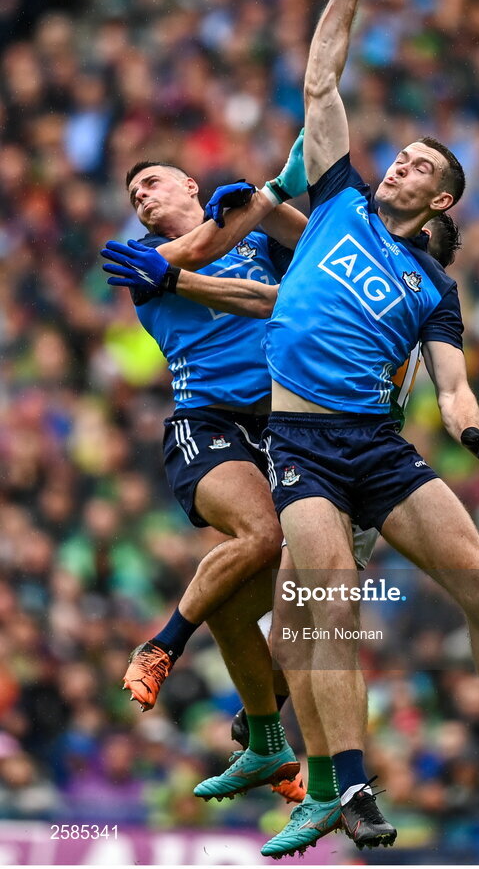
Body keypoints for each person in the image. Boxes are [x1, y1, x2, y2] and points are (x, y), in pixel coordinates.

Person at [226, 0, 479, 856]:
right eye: (402, 156)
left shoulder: (435, 289)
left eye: (422, 166)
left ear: (442, 201)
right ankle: (348, 784)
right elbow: (320, 87)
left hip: (379, 450)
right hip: (301, 445)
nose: (401, 165)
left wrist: (472, 433)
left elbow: (452, 383)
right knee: (331, 600)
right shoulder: (339, 196)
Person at [102, 136, 311, 803]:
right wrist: (256, 204)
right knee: (260, 535)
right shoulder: (142, 258)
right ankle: (161, 645)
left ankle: (264, 736)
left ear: (191, 184)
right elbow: (198, 261)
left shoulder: (245, 232)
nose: (142, 195)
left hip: (284, 421)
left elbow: (306, 261)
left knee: (300, 591)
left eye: (154, 182)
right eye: (135, 194)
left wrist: (262, 197)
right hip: (208, 422)